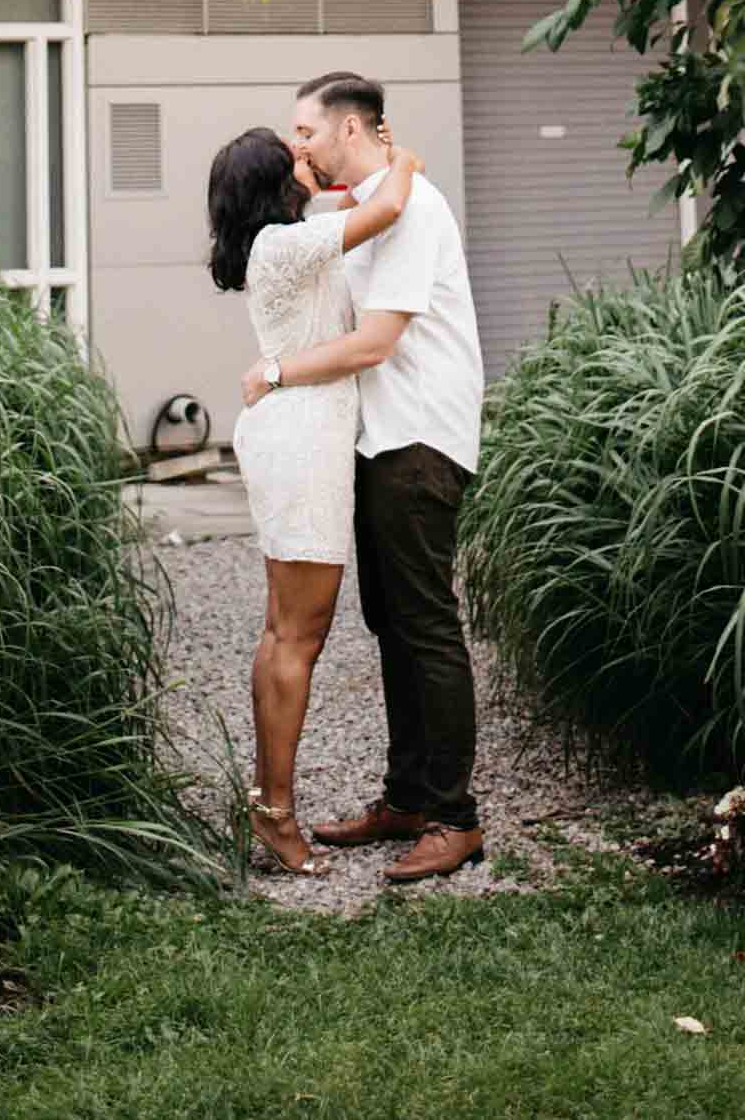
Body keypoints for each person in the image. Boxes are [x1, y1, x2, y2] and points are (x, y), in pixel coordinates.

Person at [239, 66, 488, 885]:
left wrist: (275, 372)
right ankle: (409, 795)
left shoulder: (412, 207)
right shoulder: (359, 210)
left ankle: (455, 816)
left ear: (351, 129)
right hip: (377, 442)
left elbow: (377, 342)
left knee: (425, 624)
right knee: (392, 625)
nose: (298, 146)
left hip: (418, 438)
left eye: (306, 131)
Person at [207, 120, 423, 876]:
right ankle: (277, 815)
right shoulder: (287, 244)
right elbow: (386, 208)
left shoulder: (282, 243)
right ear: (273, 182)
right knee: (299, 637)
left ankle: (267, 802)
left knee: (280, 633)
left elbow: (344, 194)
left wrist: (351, 158)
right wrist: (403, 156)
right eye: (293, 155)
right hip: (302, 443)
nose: (309, 157)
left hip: (289, 433)